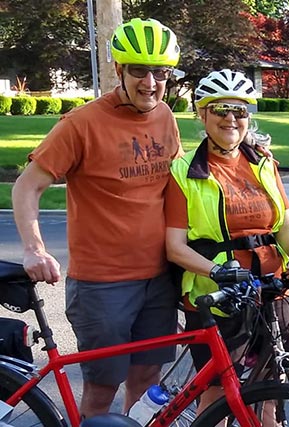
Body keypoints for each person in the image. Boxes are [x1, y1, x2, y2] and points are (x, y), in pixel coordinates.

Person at [12, 18, 182, 416]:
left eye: (161, 72)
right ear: (119, 70)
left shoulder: (166, 117)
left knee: (147, 381)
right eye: (139, 71)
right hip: (103, 284)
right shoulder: (81, 124)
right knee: (102, 389)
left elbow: (176, 186)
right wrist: (34, 249)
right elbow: (26, 186)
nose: (151, 83)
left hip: (158, 277)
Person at [163, 69, 289, 410]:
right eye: (220, 110)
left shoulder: (263, 163)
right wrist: (219, 273)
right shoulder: (185, 171)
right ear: (202, 114)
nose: (231, 119)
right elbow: (175, 247)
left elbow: (285, 225)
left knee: (273, 389)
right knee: (217, 396)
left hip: (271, 291)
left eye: (240, 111)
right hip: (220, 298)